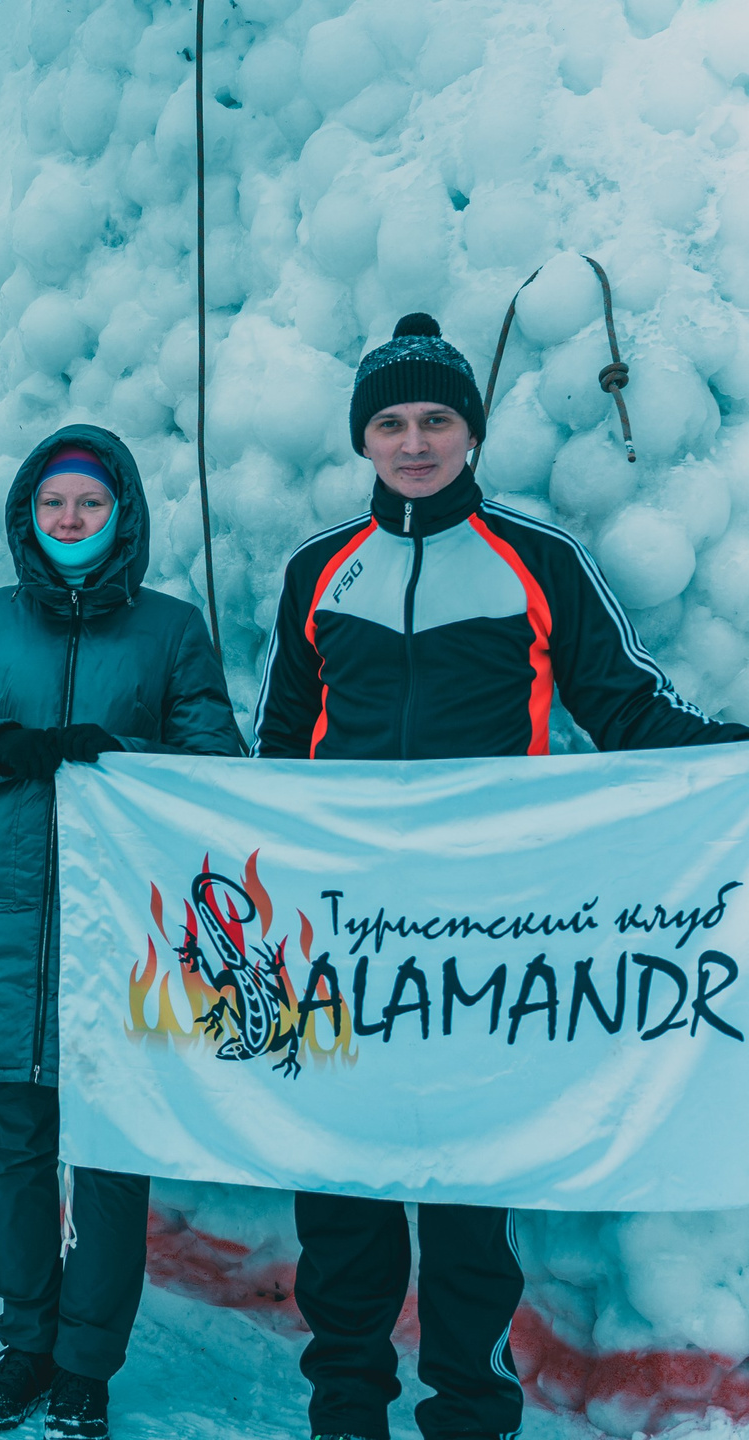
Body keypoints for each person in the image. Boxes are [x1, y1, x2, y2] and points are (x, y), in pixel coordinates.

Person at [255, 313, 749, 1440]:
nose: (414, 441)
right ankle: (346, 1406)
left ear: (468, 435)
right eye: (391, 422)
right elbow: (279, 755)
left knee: (468, 1197)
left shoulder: (537, 563)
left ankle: (468, 1412)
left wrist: (732, 752)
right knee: (342, 1189)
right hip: (345, 940)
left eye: (436, 420)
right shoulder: (317, 572)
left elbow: (624, 711)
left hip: (486, 940)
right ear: (364, 440)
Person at [0, 428, 242, 1437]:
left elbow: (216, 768)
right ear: (27, 515)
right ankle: (24, 1347)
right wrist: (11, 745)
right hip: (5, 928)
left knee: (107, 1152)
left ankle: (87, 1361)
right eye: (52, 503)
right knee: (16, 1147)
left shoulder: (169, 631)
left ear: (120, 514)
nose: (68, 520)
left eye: (88, 505)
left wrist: (125, 758)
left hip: (123, 937)